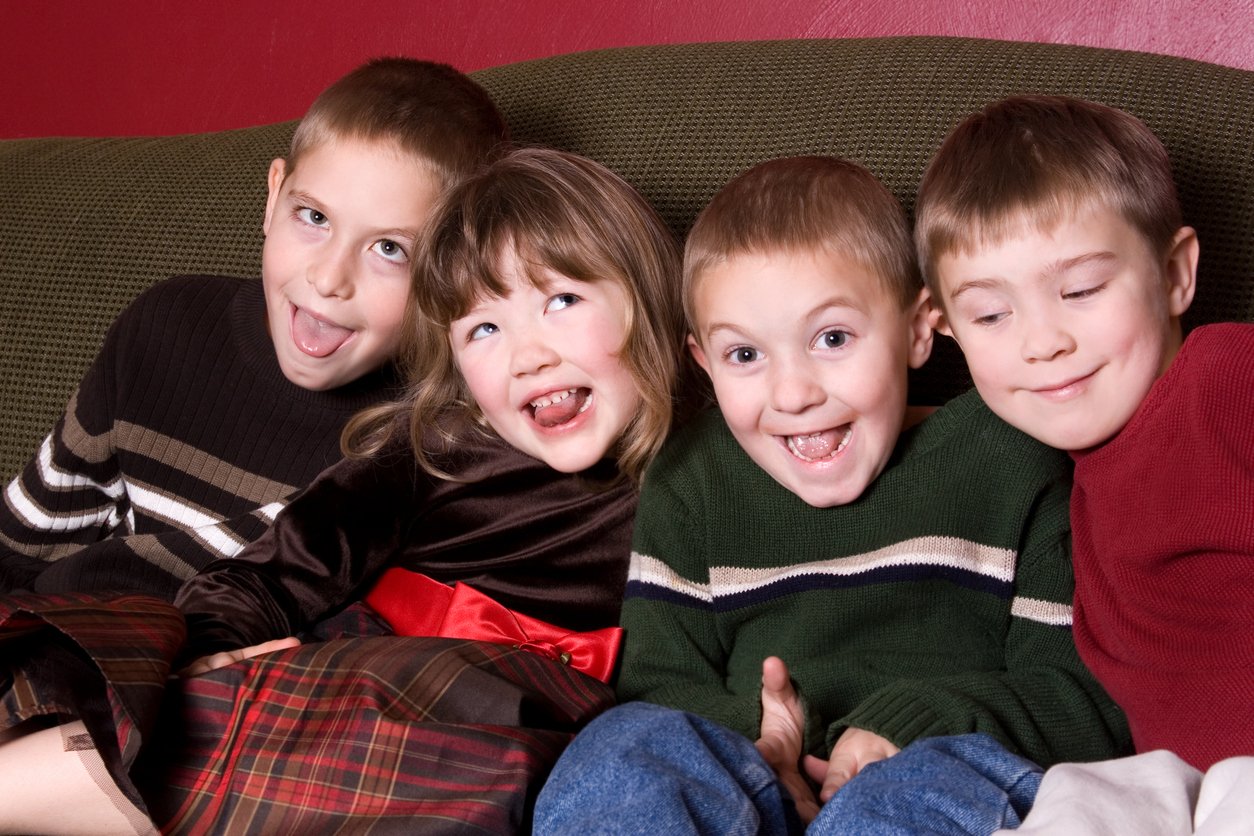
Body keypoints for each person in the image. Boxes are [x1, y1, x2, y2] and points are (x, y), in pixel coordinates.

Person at [0, 147, 687, 834]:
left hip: (495, 735)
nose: (528, 357)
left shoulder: (713, 474)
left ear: (649, 296)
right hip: (343, 685)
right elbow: (268, 575)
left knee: (491, 746)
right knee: (122, 661)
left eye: (562, 301)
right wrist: (212, 649)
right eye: (483, 329)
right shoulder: (439, 452)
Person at [534, 155, 1128, 835]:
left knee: (902, 795)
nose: (792, 394)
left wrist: (908, 723)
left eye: (833, 338)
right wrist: (765, 735)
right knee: (624, 743)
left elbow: (1084, 699)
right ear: (704, 362)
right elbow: (656, 684)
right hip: (747, 773)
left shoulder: (1010, 455)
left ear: (918, 328)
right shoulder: (692, 477)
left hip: (932, 762)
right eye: (745, 356)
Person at [0, 57, 507, 598]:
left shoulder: (434, 440)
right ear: (273, 197)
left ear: (455, 271)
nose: (328, 278)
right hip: (65, 625)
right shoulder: (165, 327)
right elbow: (16, 551)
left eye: (389, 249)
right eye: (314, 217)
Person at [914, 94, 1254, 834]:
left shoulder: (1224, 379)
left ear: (1174, 274)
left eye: (1081, 290)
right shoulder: (1056, 484)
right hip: (1180, 793)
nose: (1043, 342)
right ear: (945, 330)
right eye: (991, 315)